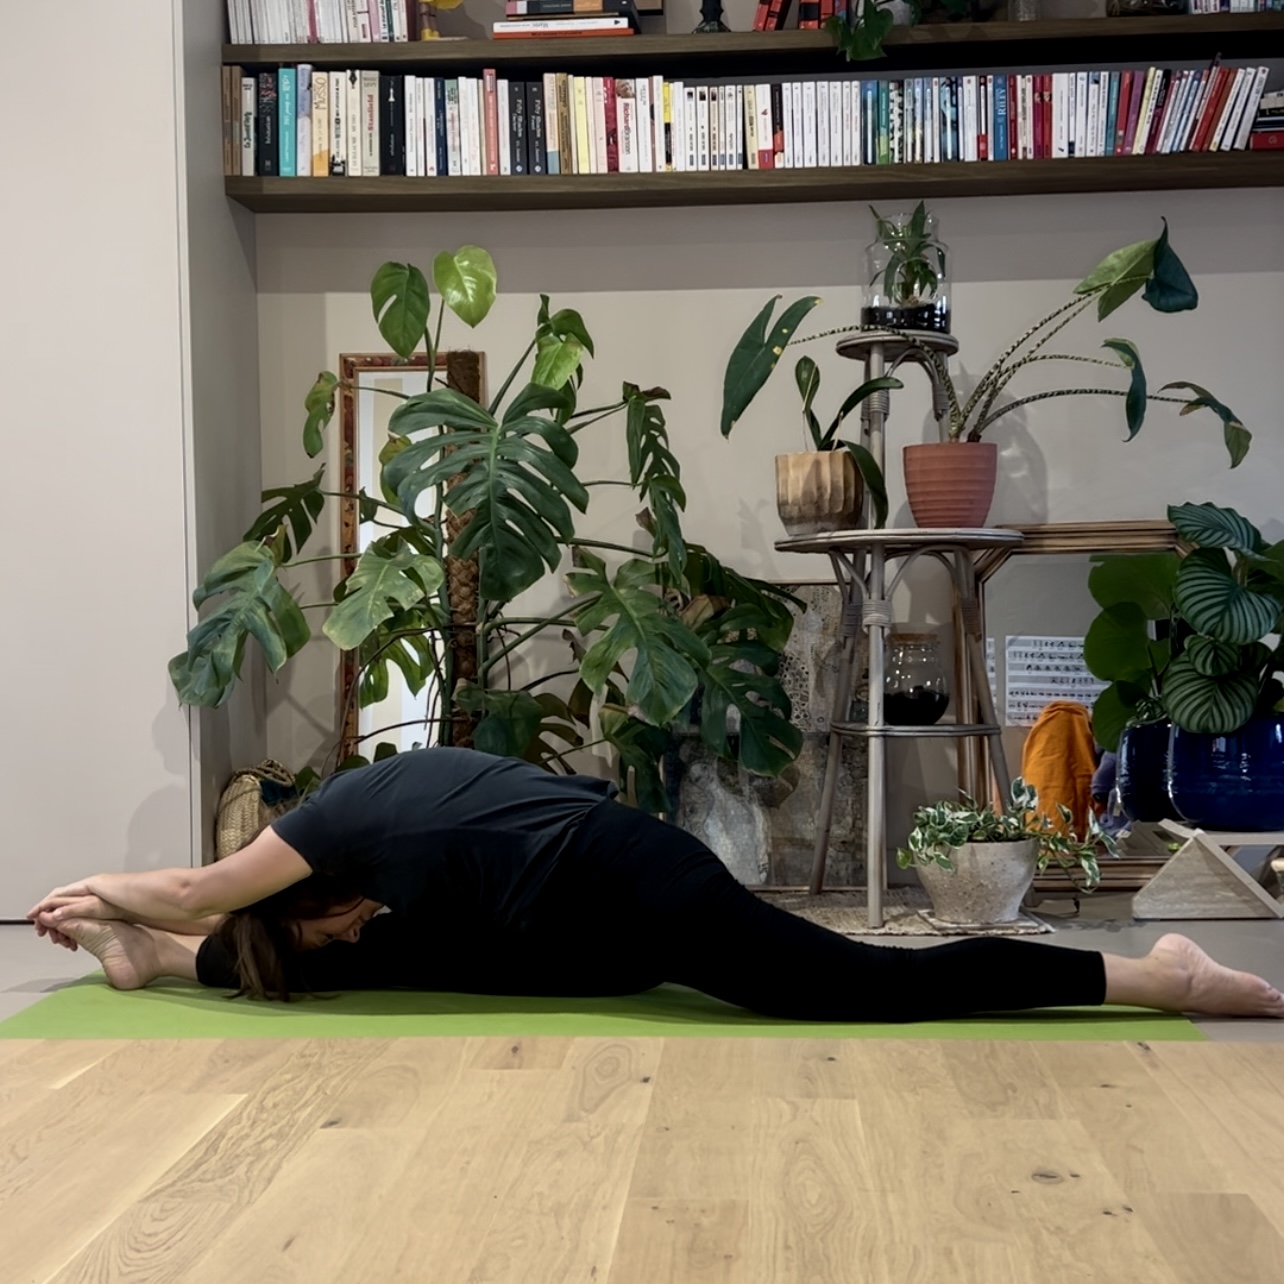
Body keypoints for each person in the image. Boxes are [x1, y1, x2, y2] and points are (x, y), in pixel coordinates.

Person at [28, 747, 1284, 1022]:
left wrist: (109, 883)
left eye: (324, 906)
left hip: (631, 888)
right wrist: (126, 932)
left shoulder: (338, 817)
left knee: (849, 988)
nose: (345, 915)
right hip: (554, 933)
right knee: (362, 967)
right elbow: (235, 924)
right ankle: (140, 972)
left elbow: (200, 887)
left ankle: (1148, 974)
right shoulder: (359, 874)